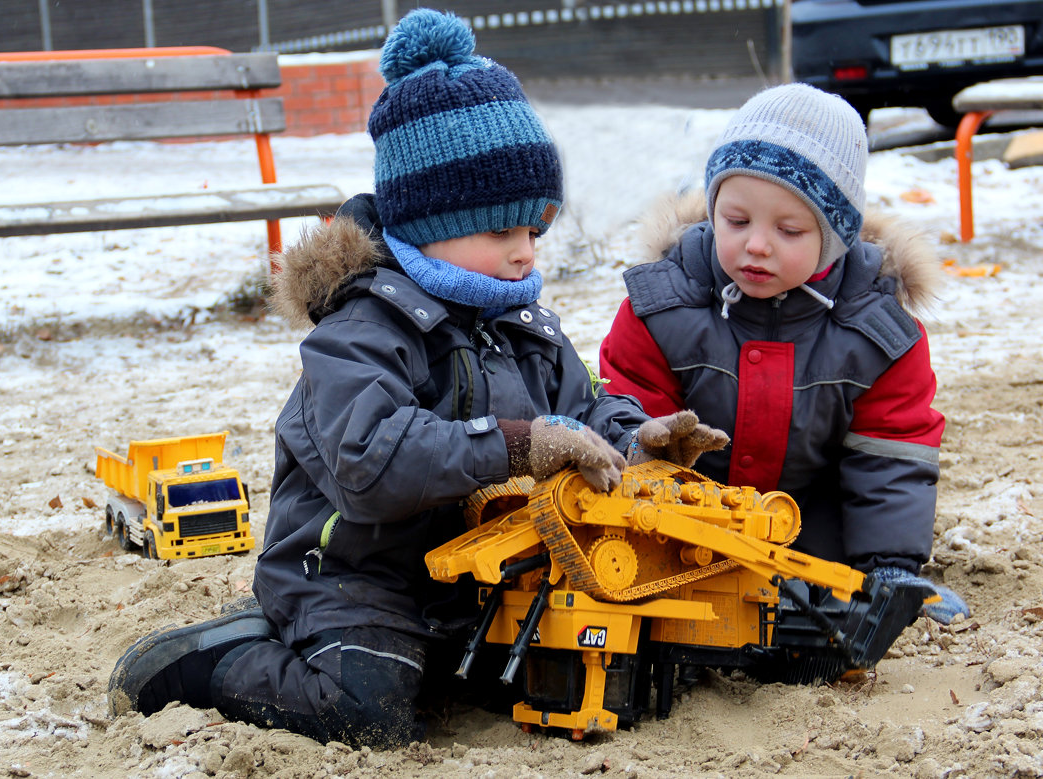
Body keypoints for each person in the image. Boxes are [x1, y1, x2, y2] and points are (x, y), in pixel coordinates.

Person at [107, 9, 723, 748]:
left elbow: (580, 407)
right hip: (351, 576)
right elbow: (373, 462)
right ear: (423, 219)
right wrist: (521, 444)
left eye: (535, 229)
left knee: (570, 668)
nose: (525, 253)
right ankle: (218, 661)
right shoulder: (360, 330)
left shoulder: (523, 324)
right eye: (501, 231)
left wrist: (638, 435)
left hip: (471, 580)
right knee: (370, 709)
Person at [598, 82, 969, 625]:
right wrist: (655, 479)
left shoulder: (876, 328)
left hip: (810, 508)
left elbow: (891, 450)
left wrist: (888, 565)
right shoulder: (663, 307)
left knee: (823, 596)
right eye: (736, 220)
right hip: (689, 511)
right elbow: (627, 410)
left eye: (789, 229)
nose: (756, 245)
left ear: (835, 235)